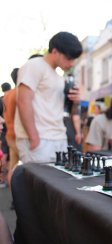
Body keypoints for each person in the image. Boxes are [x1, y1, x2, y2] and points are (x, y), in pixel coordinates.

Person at [14, 31, 83, 163]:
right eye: (69, 58)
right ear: (55, 51)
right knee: (37, 182)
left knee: (56, 181)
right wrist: (33, 137)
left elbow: (66, 111)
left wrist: (76, 102)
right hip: (40, 139)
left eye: (74, 59)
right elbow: (23, 101)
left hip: (58, 137)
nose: (72, 63)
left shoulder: (59, 77)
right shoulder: (34, 65)